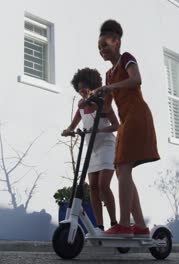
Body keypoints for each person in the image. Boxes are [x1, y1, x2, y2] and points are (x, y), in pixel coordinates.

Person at [95, 19, 160, 237]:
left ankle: (124, 224)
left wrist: (110, 87)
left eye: (105, 45)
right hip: (124, 122)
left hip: (138, 115)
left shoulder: (126, 59)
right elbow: (107, 106)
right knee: (123, 171)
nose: (102, 50)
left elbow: (136, 80)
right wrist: (90, 101)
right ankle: (140, 226)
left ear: (117, 41)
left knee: (123, 169)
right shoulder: (108, 74)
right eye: (99, 48)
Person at [62, 68, 119, 231]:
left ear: (93, 86)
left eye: (85, 87)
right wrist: (69, 130)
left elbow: (116, 125)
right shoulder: (81, 106)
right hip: (91, 149)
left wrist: (101, 130)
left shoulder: (103, 104)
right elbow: (73, 124)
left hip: (107, 146)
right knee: (93, 186)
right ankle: (99, 226)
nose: (82, 91)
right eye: (79, 89)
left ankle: (114, 223)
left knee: (103, 185)